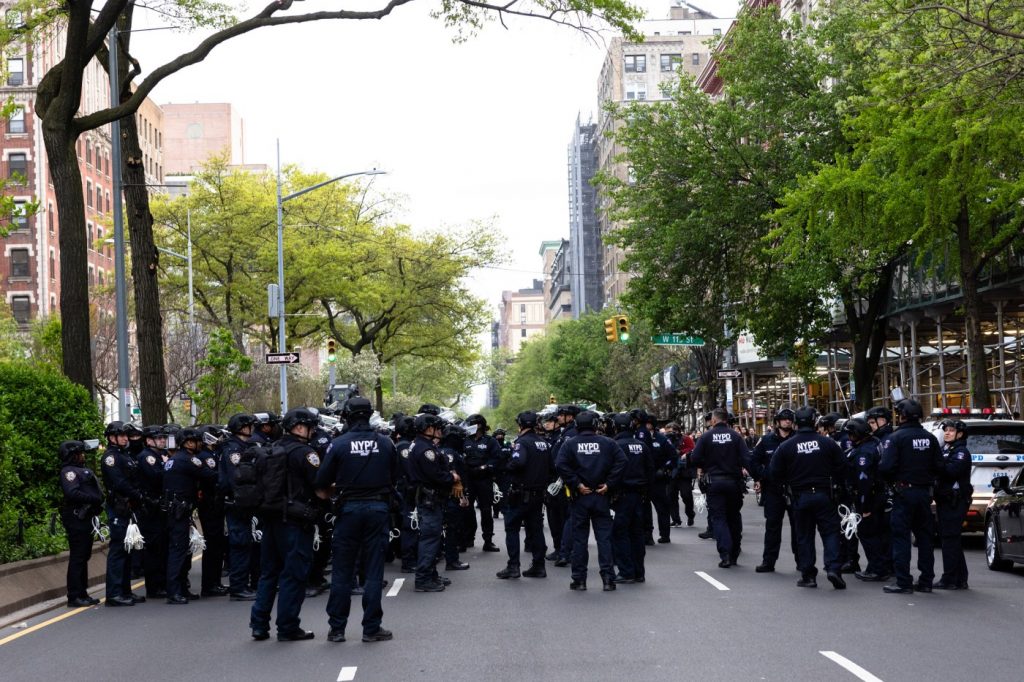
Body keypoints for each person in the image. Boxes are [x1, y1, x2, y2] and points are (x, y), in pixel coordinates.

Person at [316, 397, 398, 643]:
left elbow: (321, 481)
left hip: (348, 510)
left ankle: (337, 629)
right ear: (370, 415)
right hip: (378, 508)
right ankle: (371, 627)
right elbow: (395, 476)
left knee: (342, 570)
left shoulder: (338, 444)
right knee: (373, 570)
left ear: (348, 416)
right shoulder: (385, 443)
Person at [249, 408, 322, 641]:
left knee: (268, 573)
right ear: (299, 427)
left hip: (270, 518)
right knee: (294, 574)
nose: (313, 431)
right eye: (310, 427)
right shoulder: (305, 453)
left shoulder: (273, 448)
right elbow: (319, 487)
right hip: (294, 522)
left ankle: (259, 625)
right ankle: (288, 626)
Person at [770, 406, 847, 589]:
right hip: (824, 494)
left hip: (799, 496)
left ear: (796, 422)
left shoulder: (786, 446)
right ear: (814, 422)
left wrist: (787, 483)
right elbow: (843, 466)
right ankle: (834, 568)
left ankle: (808, 575)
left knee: (804, 536)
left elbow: (774, 473)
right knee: (830, 533)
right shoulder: (827, 443)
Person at [555, 410, 627, 592]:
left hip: (581, 497)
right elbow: (622, 462)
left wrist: (576, 483)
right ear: (595, 425)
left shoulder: (570, 444)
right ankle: (608, 580)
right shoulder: (608, 443)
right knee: (604, 539)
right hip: (601, 496)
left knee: (579, 540)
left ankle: (579, 580)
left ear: (577, 425)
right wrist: (609, 484)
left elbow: (560, 465)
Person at [877, 399, 943, 594]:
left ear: (901, 415)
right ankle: (926, 581)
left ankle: (903, 581)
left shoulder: (896, 438)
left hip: (904, 492)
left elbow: (886, 467)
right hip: (924, 493)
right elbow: (939, 466)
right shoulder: (929, 438)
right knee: (925, 538)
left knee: (901, 537)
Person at [162, 428, 218, 604]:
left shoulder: (174, 459)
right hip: (179, 509)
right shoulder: (188, 459)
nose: (199, 444)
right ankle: (174, 592)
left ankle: (181, 589)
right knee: (178, 550)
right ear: (188, 442)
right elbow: (210, 476)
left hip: (175, 508)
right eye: (196, 441)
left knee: (180, 549)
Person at [690, 408, 751, 568]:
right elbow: (747, 459)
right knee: (734, 517)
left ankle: (725, 554)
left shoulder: (706, 437)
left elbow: (695, 458)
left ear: (714, 420)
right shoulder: (736, 436)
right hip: (733, 482)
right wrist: (758, 477)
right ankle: (735, 552)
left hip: (714, 483)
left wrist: (706, 465)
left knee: (719, 518)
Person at [407, 413, 459, 592]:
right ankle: (423, 579)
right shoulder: (425, 450)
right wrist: (452, 476)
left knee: (434, 538)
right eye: (437, 428)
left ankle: (431, 574)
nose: (440, 431)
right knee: (429, 539)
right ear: (429, 429)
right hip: (429, 500)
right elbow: (436, 475)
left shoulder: (425, 446)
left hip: (432, 499)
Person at [496, 411, 551, 580]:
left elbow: (518, 462)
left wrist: (506, 466)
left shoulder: (522, 443)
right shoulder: (544, 443)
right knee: (535, 529)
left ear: (520, 425)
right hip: (538, 493)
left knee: (512, 528)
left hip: (521, 493)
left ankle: (513, 566)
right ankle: (539, 566)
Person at [100, 421, 145, 606]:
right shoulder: (110, 457)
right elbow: (119, 483)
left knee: (128, 549)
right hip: (119, 506)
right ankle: (113, 593)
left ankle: (125, 590)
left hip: (129, 506)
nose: (126, 438)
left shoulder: (124, 455)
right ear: (112, 437)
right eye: (122, 435)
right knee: (118, 549)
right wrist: (137, 494)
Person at [844, 418, 892, 582]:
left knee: (867, 533)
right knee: (877, 533)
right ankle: (877, 566)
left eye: (851, 433)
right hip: (878, 496)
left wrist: (864, 506)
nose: (849, 437)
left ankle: (877, 569)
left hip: (869, 497)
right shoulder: (874, 443)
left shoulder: (864, 452)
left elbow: (864, 480)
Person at [750, 408, 797, 573]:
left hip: (794, 488)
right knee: (772, 526)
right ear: (778, 421)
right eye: (784, 419)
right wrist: (762, 476)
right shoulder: (766, 440)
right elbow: (753, 461)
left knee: (798, 526)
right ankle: (768, 561)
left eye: (790, 419)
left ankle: (802, 560)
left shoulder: (797, 439)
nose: (787, 421)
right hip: (773, 489)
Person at [609, 413, 653, 584]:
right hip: (639, 495)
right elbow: (650, 470)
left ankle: (626, 571)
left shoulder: (615, 446)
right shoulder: (642, 445)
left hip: (622, 495)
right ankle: (639, 571)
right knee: (637, 533)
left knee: (620, 533)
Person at [219, 413, 259, 601]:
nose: (252, 428)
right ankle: (238, 587)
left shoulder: (243, 446)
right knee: (240, 543)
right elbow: (237, 477)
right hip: (237, 503)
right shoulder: (233, 449)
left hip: (244, 502)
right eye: (250, 426)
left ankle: (242, 584)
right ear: (242, 428)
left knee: (246, 543)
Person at [59, 440, 103, 607]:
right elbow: (72, 492)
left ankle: (82, 592)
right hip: (77, 518)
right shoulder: (68, 471)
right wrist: (93, 499)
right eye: (80, 453)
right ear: (72, 455)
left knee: (84, 556)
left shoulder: (80, 469)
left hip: (86, 518)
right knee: (78, 557)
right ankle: (74, 595)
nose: (83, 456)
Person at [934, 419, 972, 590]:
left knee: (950, 539)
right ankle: (961, 578)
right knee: (951, 539)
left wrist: (935, 463)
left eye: (951, 430)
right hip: (946, 500)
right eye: (946, 430)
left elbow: (951, 471)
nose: (947, 433)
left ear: (960, 434)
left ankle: (949, 579)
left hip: (955, 501)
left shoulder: (961, 452)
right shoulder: (946, 449)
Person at [135, 426, 169, 599]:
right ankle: (154, 586)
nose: (162, 440)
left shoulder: (158, 456)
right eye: (158, 438)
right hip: (150, 507)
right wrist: (166, 466)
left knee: (161, 546)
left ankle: (161, 583)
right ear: (148, 440)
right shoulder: (147, 457)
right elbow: (157, 477)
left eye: (163, 437)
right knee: (153, 547)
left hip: (158, 506)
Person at [196, 426, 229, 597]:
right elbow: (213, 477)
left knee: (218, 544)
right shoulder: (205, 456)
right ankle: (209, 585)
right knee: (212, 544)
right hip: (209, 505)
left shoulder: (213, 454)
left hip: (216, 504)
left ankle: (215, 582)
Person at [462, 414, 501, 552]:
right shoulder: (465, 440)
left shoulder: (490, 441)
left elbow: (497, 459)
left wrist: (484, 467)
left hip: (484, 479)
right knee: (467, 509)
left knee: (486, 510)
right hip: (468, 479)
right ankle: (468, 537)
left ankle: (488, 540)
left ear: (479, 425)